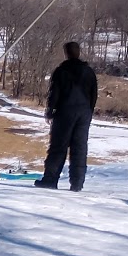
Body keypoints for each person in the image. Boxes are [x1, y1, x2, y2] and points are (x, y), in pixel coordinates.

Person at [37, 41, 99, 191]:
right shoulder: (89, 72)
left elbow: (54, 94)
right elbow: (94, 95)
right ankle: (77, 184)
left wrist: (50, 111)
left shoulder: (61, 71)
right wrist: (88, 112)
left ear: (66, 53)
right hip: (84, 114)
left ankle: (50, 180)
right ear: (78, 52)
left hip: (65, 112)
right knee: (80, 148)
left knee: (58, 146)